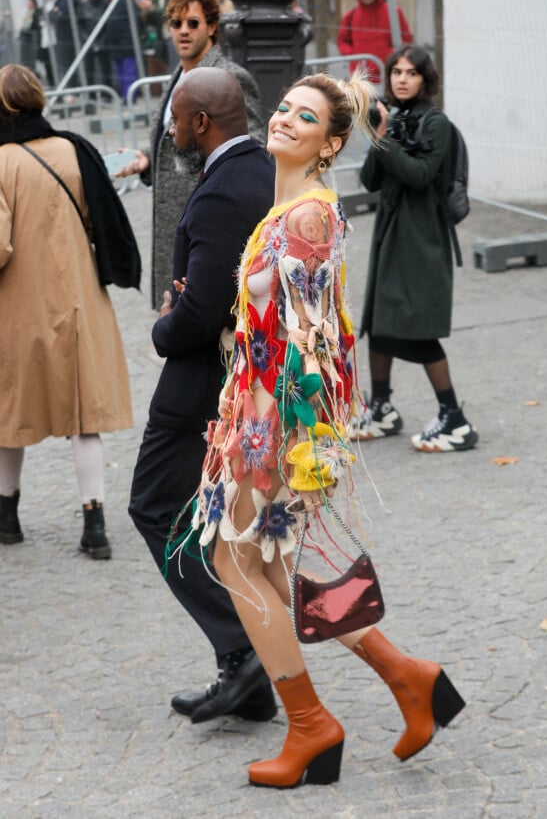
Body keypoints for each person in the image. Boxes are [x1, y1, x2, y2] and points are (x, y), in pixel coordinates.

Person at [179, 71, 465, 788]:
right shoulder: (292, 207)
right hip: (260, 405)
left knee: (234, 562)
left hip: (273, 415)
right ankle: (408, 676)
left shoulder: (306, 215)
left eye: (303, 118)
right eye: (282, 109)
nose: (283, 121)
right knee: (270, 567)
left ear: (330, 142)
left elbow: (310, 342)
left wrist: (267, 429)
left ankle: (311, 725)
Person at [128, 67, 277, 724]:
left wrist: (166, 321)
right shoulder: (265, 171)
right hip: (242, 379)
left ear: (200, 123)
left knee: (156, 507)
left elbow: (201, 312)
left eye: (176, 120)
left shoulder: (221, 191)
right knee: (218, 521)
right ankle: (251, 675)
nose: (171, 130)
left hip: (199, 388)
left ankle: (242, 653)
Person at [0, 64, 140, 557]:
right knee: (85, 416)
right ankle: (94, 524)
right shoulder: (74, 149)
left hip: (18, 306)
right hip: (80, 298)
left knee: (9, 410)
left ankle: (7, 515)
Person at [351, 46, 478, 452]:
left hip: (422, 241)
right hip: (391, 238)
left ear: (426, 79)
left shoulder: (435, 123)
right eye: (396, 72)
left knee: (419, 331)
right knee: (380, 325)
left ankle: (455, 419)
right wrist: (377, 135)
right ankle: (382, 408)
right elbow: (370, 180)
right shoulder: (393, 116)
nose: (402, 79)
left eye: (412, 73)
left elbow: (421, 175)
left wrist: (387, 139)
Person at [117, 0, 265, 310]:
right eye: (176, 22)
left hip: (209, 226)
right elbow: (176, 141)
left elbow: (252, 146)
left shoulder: (230, 78)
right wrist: (147, 160)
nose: (183, 30)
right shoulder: (176, 77)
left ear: (212, 27)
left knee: (199, 323)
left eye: (193, 22)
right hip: (173, 226)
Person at [337, 0, 412, 85]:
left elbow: (406, 39)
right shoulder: (350, 16)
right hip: (360, 78)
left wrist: (391, 56)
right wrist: (353, 55)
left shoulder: (393, 13)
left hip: (387, 76)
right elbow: (342, 41)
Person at [103, 0, 143, 101]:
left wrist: (131, 37)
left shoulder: (127, 2)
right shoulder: (108, 3)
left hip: (127, 43)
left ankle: (130, 97)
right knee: (120, 73)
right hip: (114, 45)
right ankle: (125, 96)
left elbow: (137, 21)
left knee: (129, 72)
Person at [139, 0, 177, 77]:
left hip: (173, 36)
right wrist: (146, 12)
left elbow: (168, 13)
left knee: (173, 69)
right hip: (164, 38)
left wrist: (151, 7)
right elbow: (153, 22)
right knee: (169, 68)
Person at [78, 0, 113, 92]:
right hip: (88, 41)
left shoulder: (105, 3)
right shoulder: (83, 6)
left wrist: (101, 41)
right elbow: (80, 26)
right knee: (89, 69)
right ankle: (91, 93)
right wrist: (89, 41)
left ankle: (107, 93)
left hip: (103, 40)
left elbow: (108, 25)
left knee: (106, 68)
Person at [38, 0, 58, 87]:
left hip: (55, 40)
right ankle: (52, 85)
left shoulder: (57, 3)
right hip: (45, 40)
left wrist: (47, 17)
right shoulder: (45, 4)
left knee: (55, 65)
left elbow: (52, 18)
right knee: (47, 65)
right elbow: (42, 19)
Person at [19, 0, 42, 74]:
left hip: (32, 39)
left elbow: (36, 26)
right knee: (26, 60)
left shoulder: (37, 12)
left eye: (30, 2)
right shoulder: (28, 13)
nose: (28, 4)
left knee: (33, 60)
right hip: (26, 40)